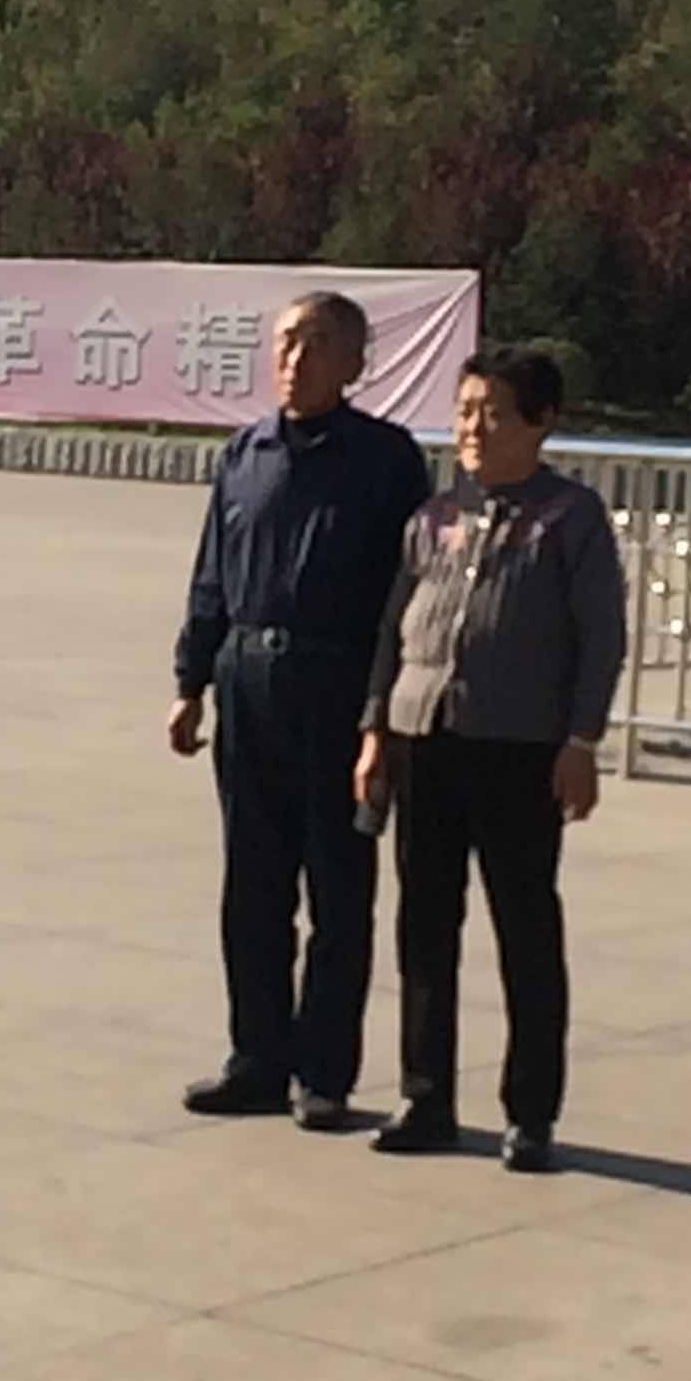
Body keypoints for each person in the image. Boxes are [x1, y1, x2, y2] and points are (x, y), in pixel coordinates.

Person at [355, 349, 626, 1172]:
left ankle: (531, 1113)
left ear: (541, 423)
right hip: (425, 734)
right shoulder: (433, 515)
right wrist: (375, 731)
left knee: (525, 928)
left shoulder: (570, 518)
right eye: (466, 410)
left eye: (495, 412)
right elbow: (392, 627)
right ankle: (425, 1096)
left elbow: (601, 639)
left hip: (520, 746)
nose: (473, 428)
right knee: (425, 923)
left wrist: (581, 742)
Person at [168, 292, 430, 1131]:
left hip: (337, 684)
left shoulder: (386, 462)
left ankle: (323, 1074)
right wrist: (191, 680)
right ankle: (256, 1061)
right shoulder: (244, 454)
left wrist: (379, 714)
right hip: (248, 681)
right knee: (252, 887)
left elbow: (403, 598)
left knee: (338, 891)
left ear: (354, 363)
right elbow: (212, 571)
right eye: (285, 343)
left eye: (316, 345)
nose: (295, 360)